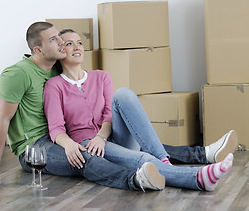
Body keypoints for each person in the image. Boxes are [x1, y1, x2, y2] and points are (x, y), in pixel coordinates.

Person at [0, 22, 237, 191]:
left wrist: (100, 133)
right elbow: (2, 121)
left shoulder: (56, 72)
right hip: (37, 145)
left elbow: (105, 111)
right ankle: (141, 179)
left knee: (130, 122)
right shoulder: (20, 75)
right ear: (37, 50)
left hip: (73, 137)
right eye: (56, 41)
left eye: (65, 40)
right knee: (89, 157)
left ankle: (194, 156)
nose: (62, 44)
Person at [42, 29, 234, 191]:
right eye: (69, 44)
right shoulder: (54, 86)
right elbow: (56, 129)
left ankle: (162, 161)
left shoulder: (101, 77)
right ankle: (198, 178)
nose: (77, 47)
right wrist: (69, 145)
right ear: (60, 51)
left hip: (111, 137)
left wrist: (101, 136)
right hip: (88, 145)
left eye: (79, 43)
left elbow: (109, 113)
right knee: (142, 158)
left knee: (123, 94)